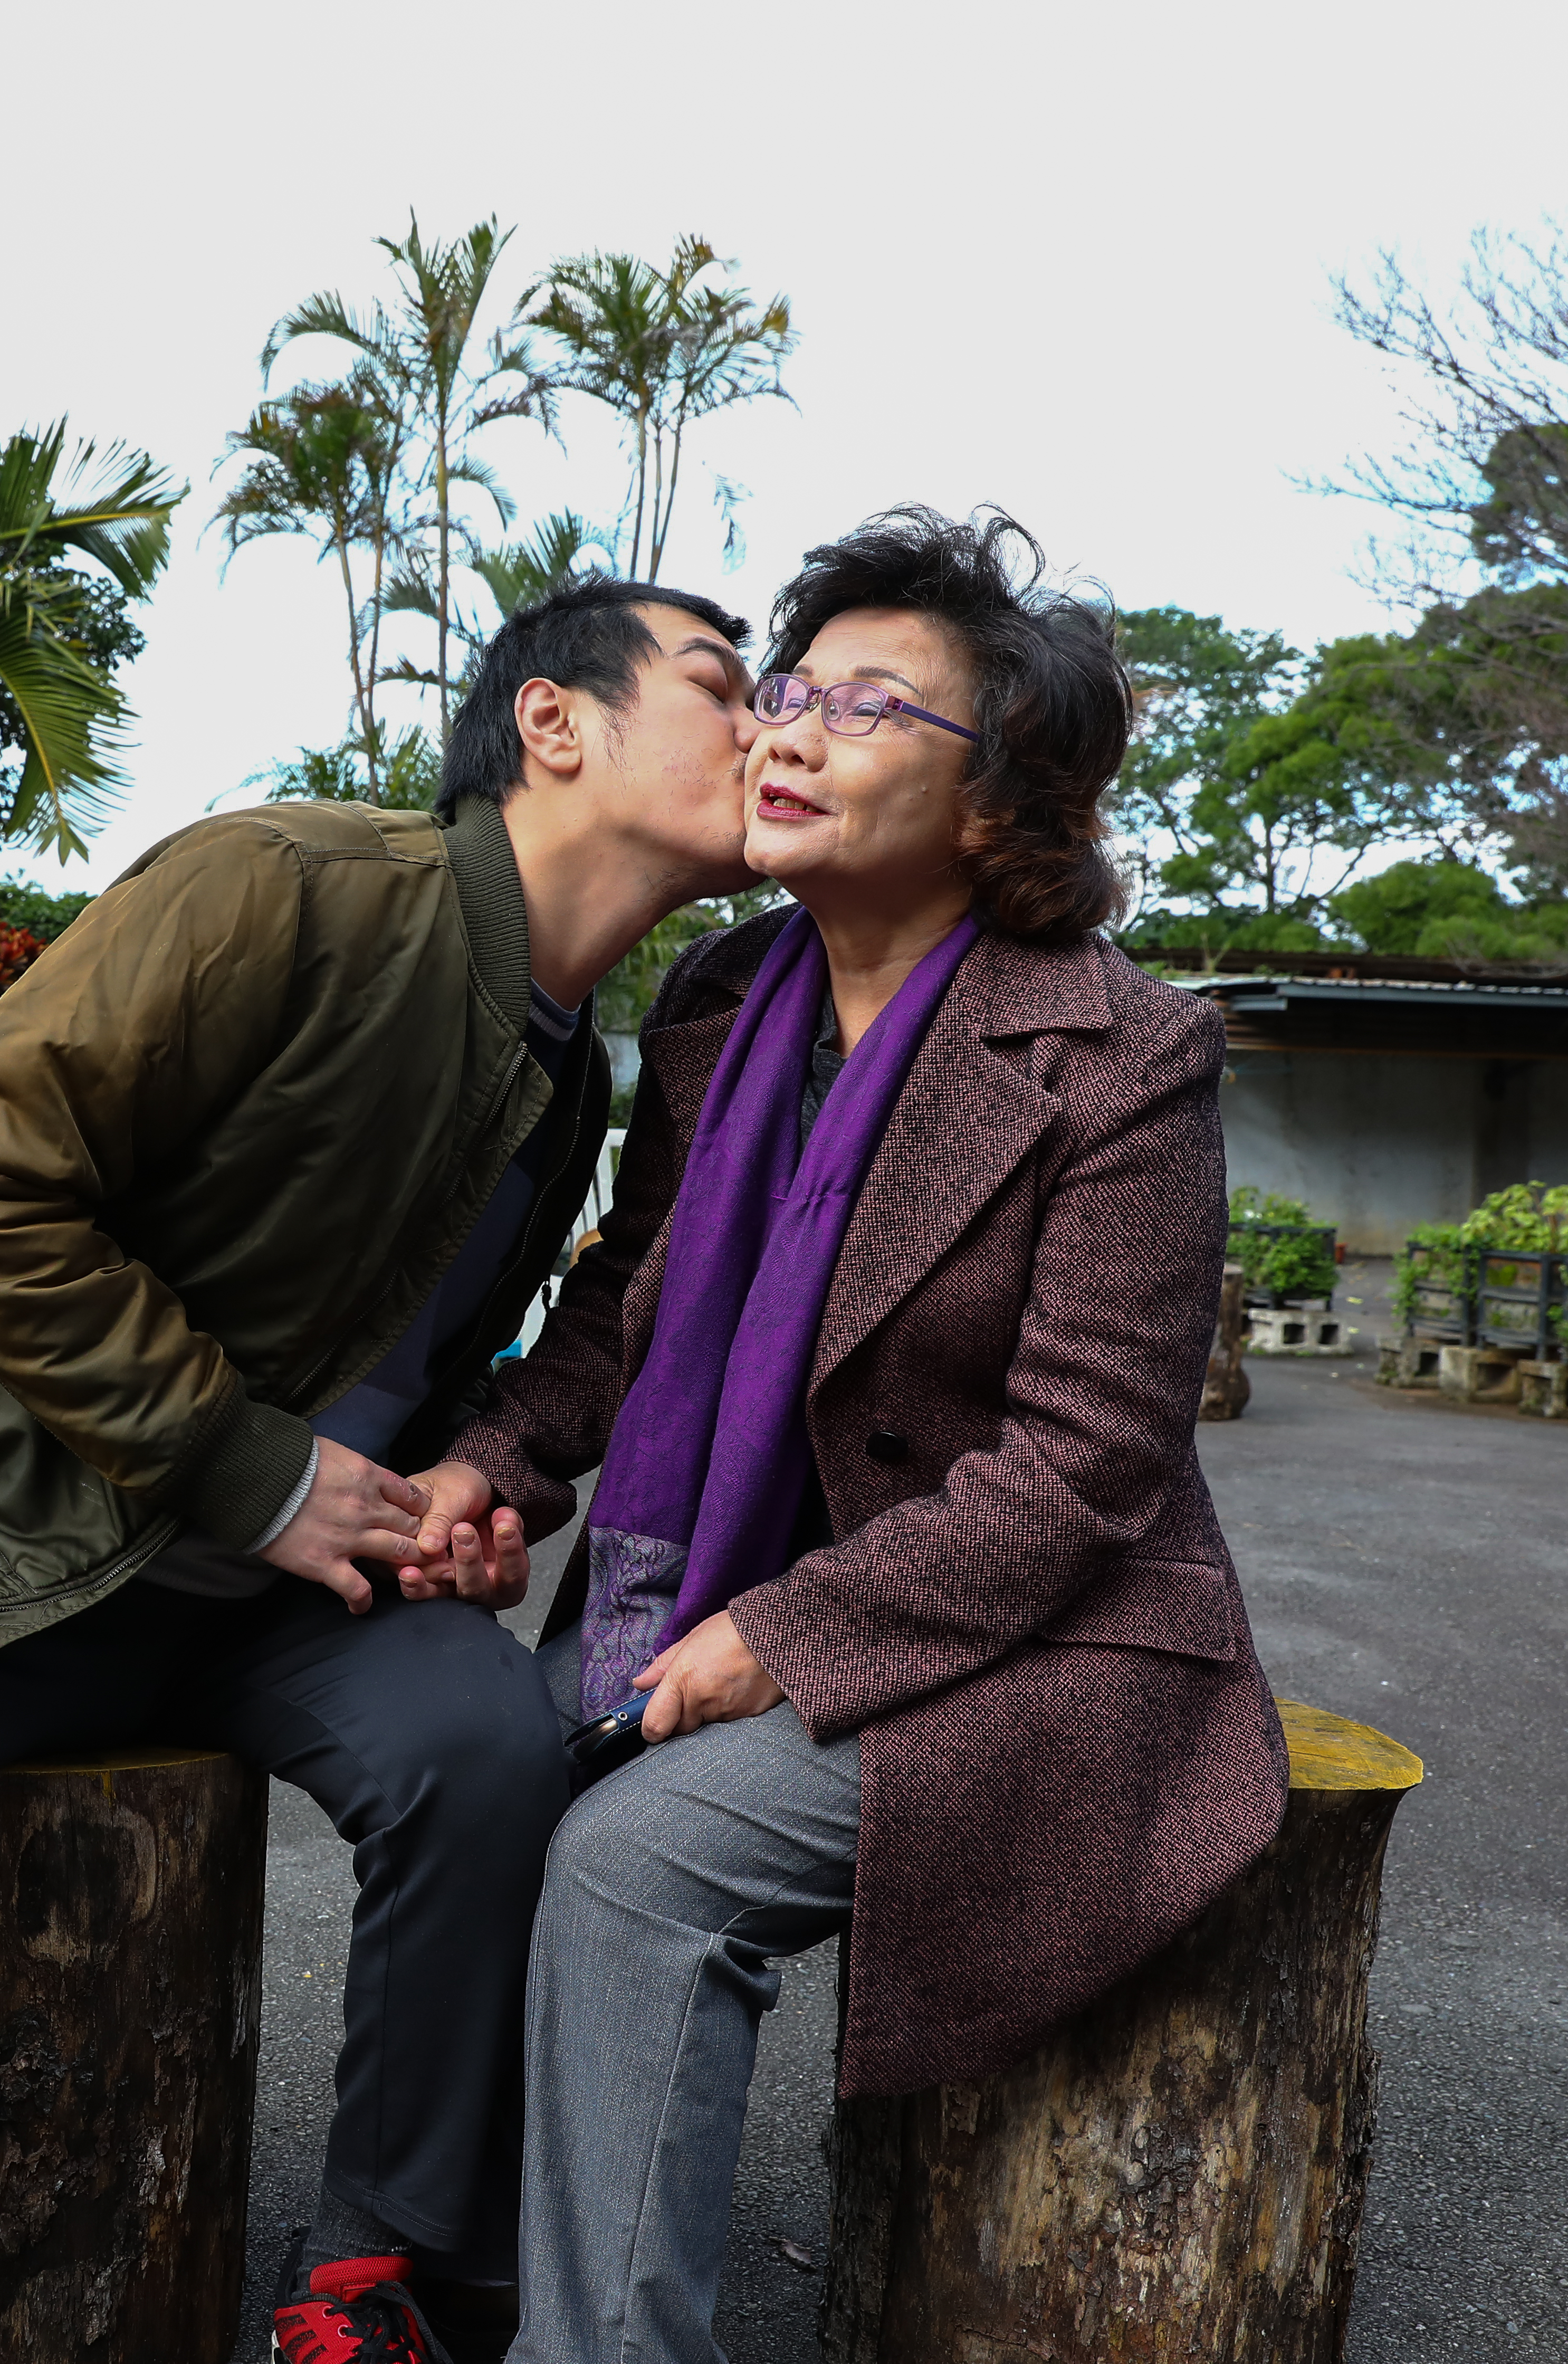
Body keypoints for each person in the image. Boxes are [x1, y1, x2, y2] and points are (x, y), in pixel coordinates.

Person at [0, 580, 770, 2364]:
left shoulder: (570, 1069)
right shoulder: (290, 888)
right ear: (554, 722)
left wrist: (463, 1482)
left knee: (491, 1756)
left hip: (292, 1596)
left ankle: (376, 2272)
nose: (768, 723)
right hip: (11, 1529)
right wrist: (250, 1475)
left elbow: (445, 1344)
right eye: (721, 683)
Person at [414, 509, 1290, 2362]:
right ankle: (420, 2263)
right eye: (791, 692)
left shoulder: (1122, 1054)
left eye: (869, 707)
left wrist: (787, 1636)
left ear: (996, 802)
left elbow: (1086, 1467)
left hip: (1035, 1643)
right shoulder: (724, 1001)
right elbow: (629, 1300)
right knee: (482, 1773)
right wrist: (496, 1462)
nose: (790, 733)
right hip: (718, 1573)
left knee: (640, 1866)